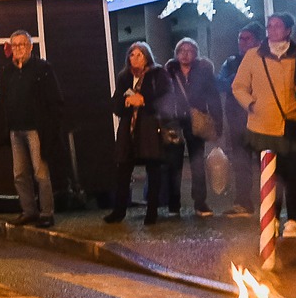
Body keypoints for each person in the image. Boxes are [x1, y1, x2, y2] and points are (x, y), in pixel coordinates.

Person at [232, 13, 296, 237]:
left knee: (294, 175)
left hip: (293, 124)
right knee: (269, 176)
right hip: (262, 126)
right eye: (269, 26)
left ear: (288, 30)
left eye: (277, 26)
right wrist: (251, 104)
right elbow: (239, 86)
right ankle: (271, 218)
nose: (272, 30)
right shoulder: (253, 56)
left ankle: (293, 220)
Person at [0, 31, 63, 228]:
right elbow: (3, 99)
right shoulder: (8, 71)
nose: (18, 49)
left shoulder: (42, 69)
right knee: (19, 174)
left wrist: (50, 126)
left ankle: (47, 212)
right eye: (14, 45)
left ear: (31, 47)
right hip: (15, 129)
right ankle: (29, 211)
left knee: (40, 172)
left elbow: (55, 100)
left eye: (22, 45)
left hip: (35, 129)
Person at [106, 42, 172, 226]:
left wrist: (143, 101)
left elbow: (166, 100)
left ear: (147, 57)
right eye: (131, 55)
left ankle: (152, 212)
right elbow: (116, 103)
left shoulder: (158, 74)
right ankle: (119, 211)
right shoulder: (124, 76)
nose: (134, 58)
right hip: (128, 129)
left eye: (139, 55)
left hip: (150, 128)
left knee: (153, 169)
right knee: (123, 170)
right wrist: (127, 102)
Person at [163, 37, 221, 218]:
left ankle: (200, 202)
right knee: (174, 163)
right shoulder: (169, 72)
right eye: (181, 50)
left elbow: (213, 96)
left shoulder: (203, 72)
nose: (185, 54)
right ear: (176, 53)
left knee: (197, 163)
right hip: (175, 121)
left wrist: (217, 121)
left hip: (196, 120)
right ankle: (174, 204)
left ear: (196, 53)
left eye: (189, 50)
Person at [215, 24, 263, 217]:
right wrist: (237, 79)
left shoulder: (264, 59)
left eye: (247, 38)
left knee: (265, 162)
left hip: (260, 119)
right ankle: (243, 202)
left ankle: (271, 203)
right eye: (240, 38)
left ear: (258, 41)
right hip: (236, 120)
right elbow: (221, 83)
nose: (242, 42)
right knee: (241, 163)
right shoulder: (232, 62)